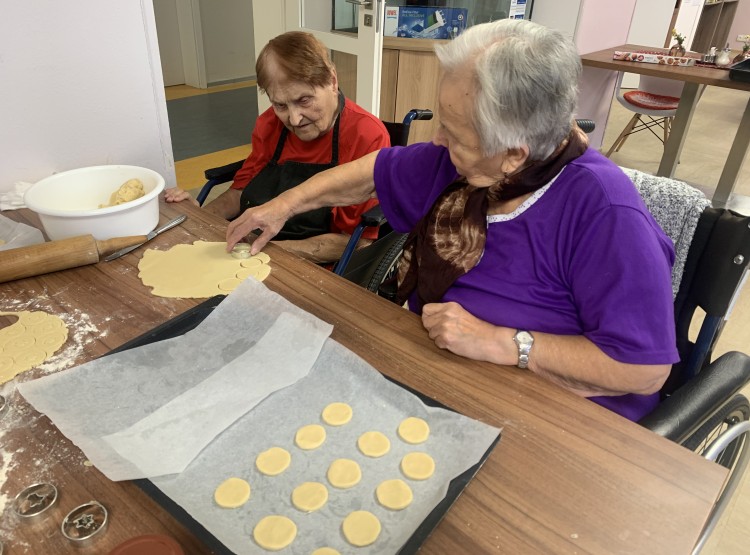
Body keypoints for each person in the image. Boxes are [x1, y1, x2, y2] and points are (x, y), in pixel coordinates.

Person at [225, 19, 679, 422]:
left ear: (513, 155)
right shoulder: (456, 163)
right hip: (441, 371)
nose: (437, 139)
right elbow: (373, 171)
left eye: (455, 133)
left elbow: (642, 369)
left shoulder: (607, 216)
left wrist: (504, 343)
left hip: (552, 414)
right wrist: (283, 205)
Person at [165, 31, 390, 264]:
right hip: (257, 248)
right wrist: (200, 218)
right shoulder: (269, 124)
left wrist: (263, 250)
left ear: (332, 81)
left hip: (317, 264)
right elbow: (240, 193)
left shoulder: (366, 136)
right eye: (280, 105)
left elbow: (357, 242)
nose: (294, 120)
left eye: (304, 100)